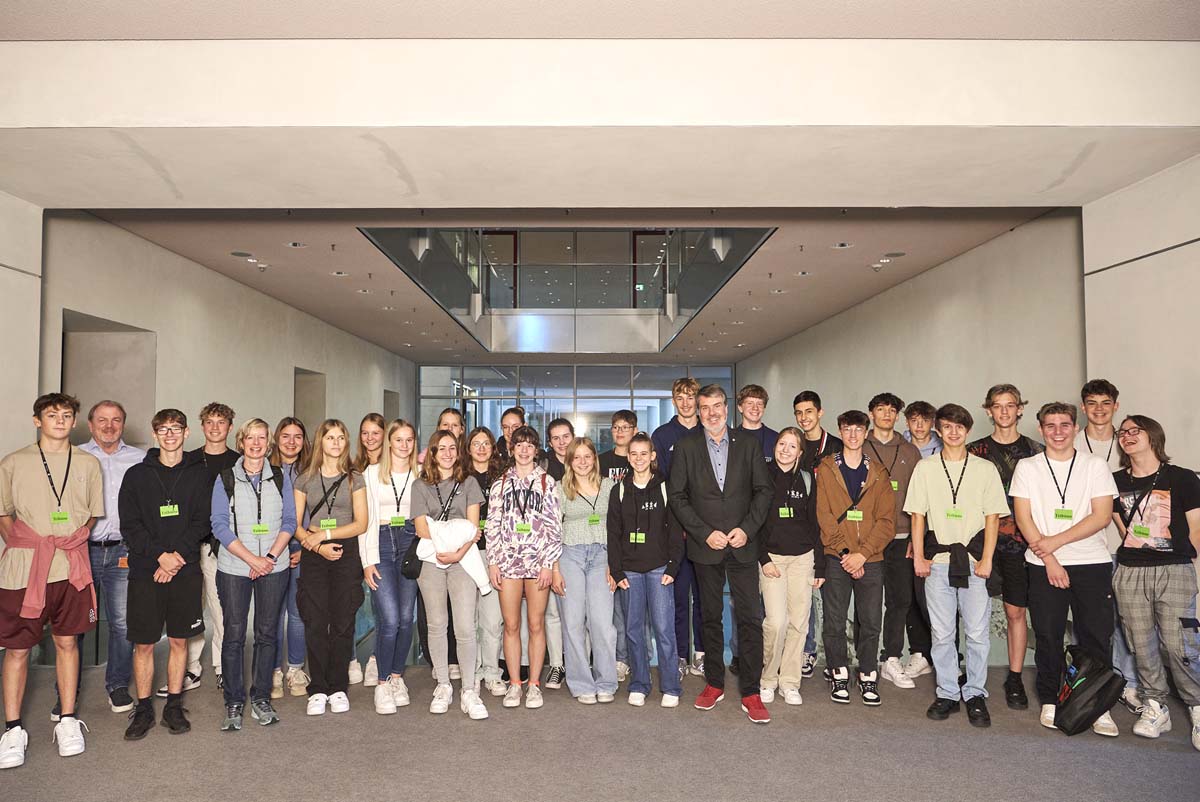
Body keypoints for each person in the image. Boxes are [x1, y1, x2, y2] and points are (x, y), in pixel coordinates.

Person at [0, 393, 102, 768]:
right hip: (24, 570)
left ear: (74, 421)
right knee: (17, 649)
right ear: (36, 420)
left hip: (70, 569)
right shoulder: (13, 462)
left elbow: (92, 516)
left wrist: (71, 538)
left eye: (66, 414)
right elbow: (4, 514)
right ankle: (12, 730)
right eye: (51, 414)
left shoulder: (88, 462)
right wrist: (28, 545)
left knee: (67, 643)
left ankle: (68, 720)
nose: (60, 420)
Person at [1011, 402, 1120, 737]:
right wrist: (1050, 559)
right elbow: (1023, 518)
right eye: (1050, 425)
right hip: (1043, 564)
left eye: (1064, 425)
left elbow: (1101, 516)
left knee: (1095, 636)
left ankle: (1097, 703)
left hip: (1091, 562)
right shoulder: (1028, 467)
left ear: (1075, 427)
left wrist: (1055, 543)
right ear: (1040, 429)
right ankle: (1050, 698)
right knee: (1047, 634)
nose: (1057, 432)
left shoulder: (1094, 465)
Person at [667, 384, 772, 723]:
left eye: (717, 406)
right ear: (698, 412)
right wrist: (704, 533)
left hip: (743, 545)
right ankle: (714, 683)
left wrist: (747, 529)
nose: (711, 413)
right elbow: (678, 496)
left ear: (727, 409)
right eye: (705, 407)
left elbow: (763, 491)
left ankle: (752, 691)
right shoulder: (686, 447)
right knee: (709, 618)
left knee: (750, 619)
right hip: (705, 546)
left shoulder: (749, 445)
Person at [906, 403, 1007, 728]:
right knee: (942, 633)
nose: (953, 432)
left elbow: (993, 517)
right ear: (938, 429)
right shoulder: (925, 468)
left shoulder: (984, 468)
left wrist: (989, 558)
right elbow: (917, 516)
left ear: (967, 430)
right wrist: (920, 556)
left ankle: (975, 692)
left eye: (959, 427)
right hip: (938, 562)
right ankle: (948, 691)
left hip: (975, 561)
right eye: (947, 426)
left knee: (977, 633)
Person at [118, 409, 209, 740]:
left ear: (186, 434)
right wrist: (159, 556)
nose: (170, 434)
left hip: (184, 569)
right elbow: (130, 524)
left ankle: (173, 705)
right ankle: (143, 708)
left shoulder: (200, 475)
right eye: (163, 429)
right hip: (145, 569)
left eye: (176, 429)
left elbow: (203, 521)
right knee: (143, 643)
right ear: (155, 435)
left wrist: (174, 559)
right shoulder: (136, 476)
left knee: (179, 640)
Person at [1111, 415, 1200, 749]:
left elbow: (1196, 527)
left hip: (1174, 568)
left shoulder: (1182, 477)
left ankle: (1196, 705)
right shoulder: (1115, 481)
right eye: (1123, 433)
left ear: (1154, 436)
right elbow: (1124, 529)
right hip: (1131, 570)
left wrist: (1186, 564)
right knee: (1141, 643)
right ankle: (1155, 706)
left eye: (1136, 430)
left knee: (1181, 644)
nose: (1128, 436)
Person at [211, 418, 296, 731]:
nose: (257, 443)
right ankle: (233, 701)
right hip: (235, 567)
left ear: (268, 443)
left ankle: (261, 696)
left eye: (262, 438)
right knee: (234, 634)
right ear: (241, 441)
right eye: (251, 437)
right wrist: (251, 559)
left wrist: (270, 557)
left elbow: (289, 522)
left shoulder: (280, 477)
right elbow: (219, 525)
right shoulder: (225, 479)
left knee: (267, 633)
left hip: (275, 566)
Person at [966, 384, 1043, 710]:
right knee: (973, 614)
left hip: (1019, 544)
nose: (1004, 411)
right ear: (989, 411)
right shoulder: (972, 451)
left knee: (1015, 611)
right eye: (998, 406)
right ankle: (970, 677)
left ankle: (1014, 677)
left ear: (1020, 409)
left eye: (1010, 405)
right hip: (980, 541)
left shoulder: (1037, 450)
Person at [815, 410, 894, 707]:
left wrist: (863, 554)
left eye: (858, 430)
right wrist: (847, 554)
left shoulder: (878, 472)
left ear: (866, 433)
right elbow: (824, 517)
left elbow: (886, 521)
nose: (852, 435)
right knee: (834, 621)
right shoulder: (826, 469)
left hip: (871, 558)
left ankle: (868, 673)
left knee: (871, 620)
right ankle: (838, 671)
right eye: (847, 429)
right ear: (840, 430)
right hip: (837, 557)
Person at [293, 419, 368, 716]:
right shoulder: (304, 478)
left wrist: (324, 535)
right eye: (329, 437)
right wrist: (316, 544)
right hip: (313, 553)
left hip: (345, 552)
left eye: (340, 438)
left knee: (342, 621)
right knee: (314, 620)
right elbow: (295, 525)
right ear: (320, 441)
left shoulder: (354, 478)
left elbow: (360, 523)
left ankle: (337, 687)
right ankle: (318, 689)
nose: (335, 443)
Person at [411, 429, 488, 720]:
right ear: (432, 452)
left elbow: (474, 528)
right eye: (441, 448)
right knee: (437, 624)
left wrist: (455, 548)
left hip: (463, 560)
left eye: (452, 448)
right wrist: (456, 533)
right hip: (431, 562)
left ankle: (469, 689)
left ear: (458, 452)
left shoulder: (468, 482)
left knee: (466, 627)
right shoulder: (420, 485)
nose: (447, 453)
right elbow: (420, 529)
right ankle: (443, 684)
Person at [486, 425, 563, 710]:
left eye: (529, 444)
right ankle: (515, 684)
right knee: (511, 625)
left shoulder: (547, 483)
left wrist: (548, 565)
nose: (524, 449)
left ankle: (533, 685)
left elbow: (555, 528)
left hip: (537, 563)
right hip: (507, 564)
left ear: (536, 449)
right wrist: (493, 562)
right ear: (512, 448)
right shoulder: (500, 484)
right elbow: (492, 526)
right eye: (519, 444)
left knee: (535, 624)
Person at [77, 400, 145, 717]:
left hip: (122, 551)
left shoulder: (140, 459)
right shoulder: (75, 456)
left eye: (116, 420)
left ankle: (117, 685)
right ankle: (66, 691)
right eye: (102, 420)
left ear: (123, 424)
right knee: (73, 625)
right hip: (80, 551)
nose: (109, 425)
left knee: (122, 624)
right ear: (91, 424)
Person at [1076, 379, 1140, 713]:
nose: (1099, 409)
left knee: (1128, 618)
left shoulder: (1129, 442)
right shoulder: (1070, 442)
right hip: (1083, 547)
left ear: (1115, 405)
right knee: (1088, 620)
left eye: (1105, 403)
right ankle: (1089, 681)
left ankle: (1128, 683)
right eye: (1091, 403)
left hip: (1125, 545)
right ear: (1083, 407)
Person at [608, 433, 683, 707]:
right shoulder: (619, 490)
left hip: (660, 568)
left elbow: (676, 531)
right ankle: (639, 683)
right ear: (628, 458)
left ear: (652, 456)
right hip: (630, 572)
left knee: (664, 629)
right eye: (634, 454)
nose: (639, 458)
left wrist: (673, 567)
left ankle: (671, 686)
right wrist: (617, 572)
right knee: (633, 630)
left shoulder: (666, 487)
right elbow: (613, 534)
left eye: (644, 453)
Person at [176, 401, 239, 696]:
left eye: (221, 422)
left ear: (229, 427)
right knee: (191, 608)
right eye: (210, 422)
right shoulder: (186, 460)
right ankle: (192, 667)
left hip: (221, 547)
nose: (215, 427)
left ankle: (222, 667)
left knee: (221, 608)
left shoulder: (238, 462)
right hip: (189, 545)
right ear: (202, 426)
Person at [758, 427, 823, 706]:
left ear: (800, 452)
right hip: (772, 558)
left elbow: (814, 523)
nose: (785, 450)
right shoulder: (761, 476)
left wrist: (819, 566)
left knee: (799, 622)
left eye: (792, 446)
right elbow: (754, 521)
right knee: (776, 622)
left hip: (802, 558)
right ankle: (768, 679)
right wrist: (763, 559)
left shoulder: (807, 480)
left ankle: (789, 682)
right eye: (781, 444)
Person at [863, 393, 922, 690]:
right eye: (880, 409)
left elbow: (919, 500)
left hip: (901, 538)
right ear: (871, 414)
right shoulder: (860, 445)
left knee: (899, 600)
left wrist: (916, 536)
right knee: (867, 602)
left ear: (897, 415)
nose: (886, 414)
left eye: (891, 410)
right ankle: (865, 661)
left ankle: (892, 658)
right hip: (868, 539)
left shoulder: (910, 451)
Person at [554, 437, 618, 704]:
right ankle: (581, 684)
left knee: (603, 624)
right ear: (569, 461)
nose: (582, 462)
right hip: (570, 555)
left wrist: (616, 566)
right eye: (576, 457)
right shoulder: (560, 489)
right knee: (573, 623)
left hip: (603, 556)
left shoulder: (611, 487)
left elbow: (619, 529)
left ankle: (606, 681)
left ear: (595, 458)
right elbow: (552, 530)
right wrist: (555, 569)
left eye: (587, 456)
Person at [362, 420, 420, 714]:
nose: (404, 445)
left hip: (410, 544)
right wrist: (367, 561)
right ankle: (382, 683)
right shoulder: (371, 474)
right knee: (390, 618)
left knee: (407, 618)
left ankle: (397, 677)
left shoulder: (421, 473)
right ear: (389, 442)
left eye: (409, 440)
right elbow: (366, 521)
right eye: (399, 440)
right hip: (381, 543)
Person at [651, 377, 705, 681]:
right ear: (673, 401)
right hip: (676, 529)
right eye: (680, 398)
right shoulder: (663, 434)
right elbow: (661, 483)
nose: (685, 403)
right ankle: (681, 655)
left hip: (706, 529)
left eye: (690, 397)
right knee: (678, 597)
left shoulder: (708, 431)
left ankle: (702, 656)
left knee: (705, 597)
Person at [792, 390, 842, 678]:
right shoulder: (794, 445)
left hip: (832, 531)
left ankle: (836, 659)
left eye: (809, 411)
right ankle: (807, 651)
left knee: (833, 599)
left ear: (820, 413)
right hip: (803, 532)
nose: (804, 417)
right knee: (805, 596)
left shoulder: (835, 446)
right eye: (799, 413)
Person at [270, 417, 310, 698]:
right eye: (286, 436)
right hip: (271, 552)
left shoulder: (311, 471)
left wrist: (301, 546)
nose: (291, 442)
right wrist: (279, 549)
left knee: (297, 614)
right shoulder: (263, 467)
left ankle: (295, 669)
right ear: (276, 438)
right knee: (272, 615)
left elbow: (314, 514)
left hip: (302, 550)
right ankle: (272, 670)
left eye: (297, 436)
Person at [900, 399, 940, 677]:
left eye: (924, 420)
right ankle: (919, 653)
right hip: (906, 527)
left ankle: (944, 654)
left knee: (938, 598)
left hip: (938, 531)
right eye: (914, 420)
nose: (919, 425)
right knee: (911, 595)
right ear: (907, 423)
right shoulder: (900, 446)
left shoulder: (943, 448)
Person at [466, 427, 506, 697]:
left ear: (493, 447)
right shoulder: (459, 476)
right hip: (466, 554)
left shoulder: (503, 476)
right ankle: (473, 671)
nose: (481, 448)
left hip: (494, 554)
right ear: (468, 448)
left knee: (492, 619)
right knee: (469, 619)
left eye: (486, 443)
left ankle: (491, 671)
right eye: (476, 443)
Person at [351, 413, 386, 686]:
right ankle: (351, 659)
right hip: (354, 541)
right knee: (351, 604)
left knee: (380, 606)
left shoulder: (391, 467)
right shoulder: (353, 468)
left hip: (381, 543)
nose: (370, 438)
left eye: (375, 432)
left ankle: (376, 659)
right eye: (365, 432)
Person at [734, 384, 779, 464]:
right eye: (750, 403)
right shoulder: (730, 439)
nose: (755, 408)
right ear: (740, 407)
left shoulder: (776, 438)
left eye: (759, 404)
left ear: (764, 408)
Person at [599, 410, 637, 483]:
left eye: (625, 427)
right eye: (616, 427)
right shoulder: (600, 461)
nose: (619, 431)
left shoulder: (639, 460)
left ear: (635, 431)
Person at [541, 417, 574, 482]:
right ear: (550, 443)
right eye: (556, 438)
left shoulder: (584, 462)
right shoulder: (543, 464)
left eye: (566, 436)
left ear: (574, 437)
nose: (562, 442)